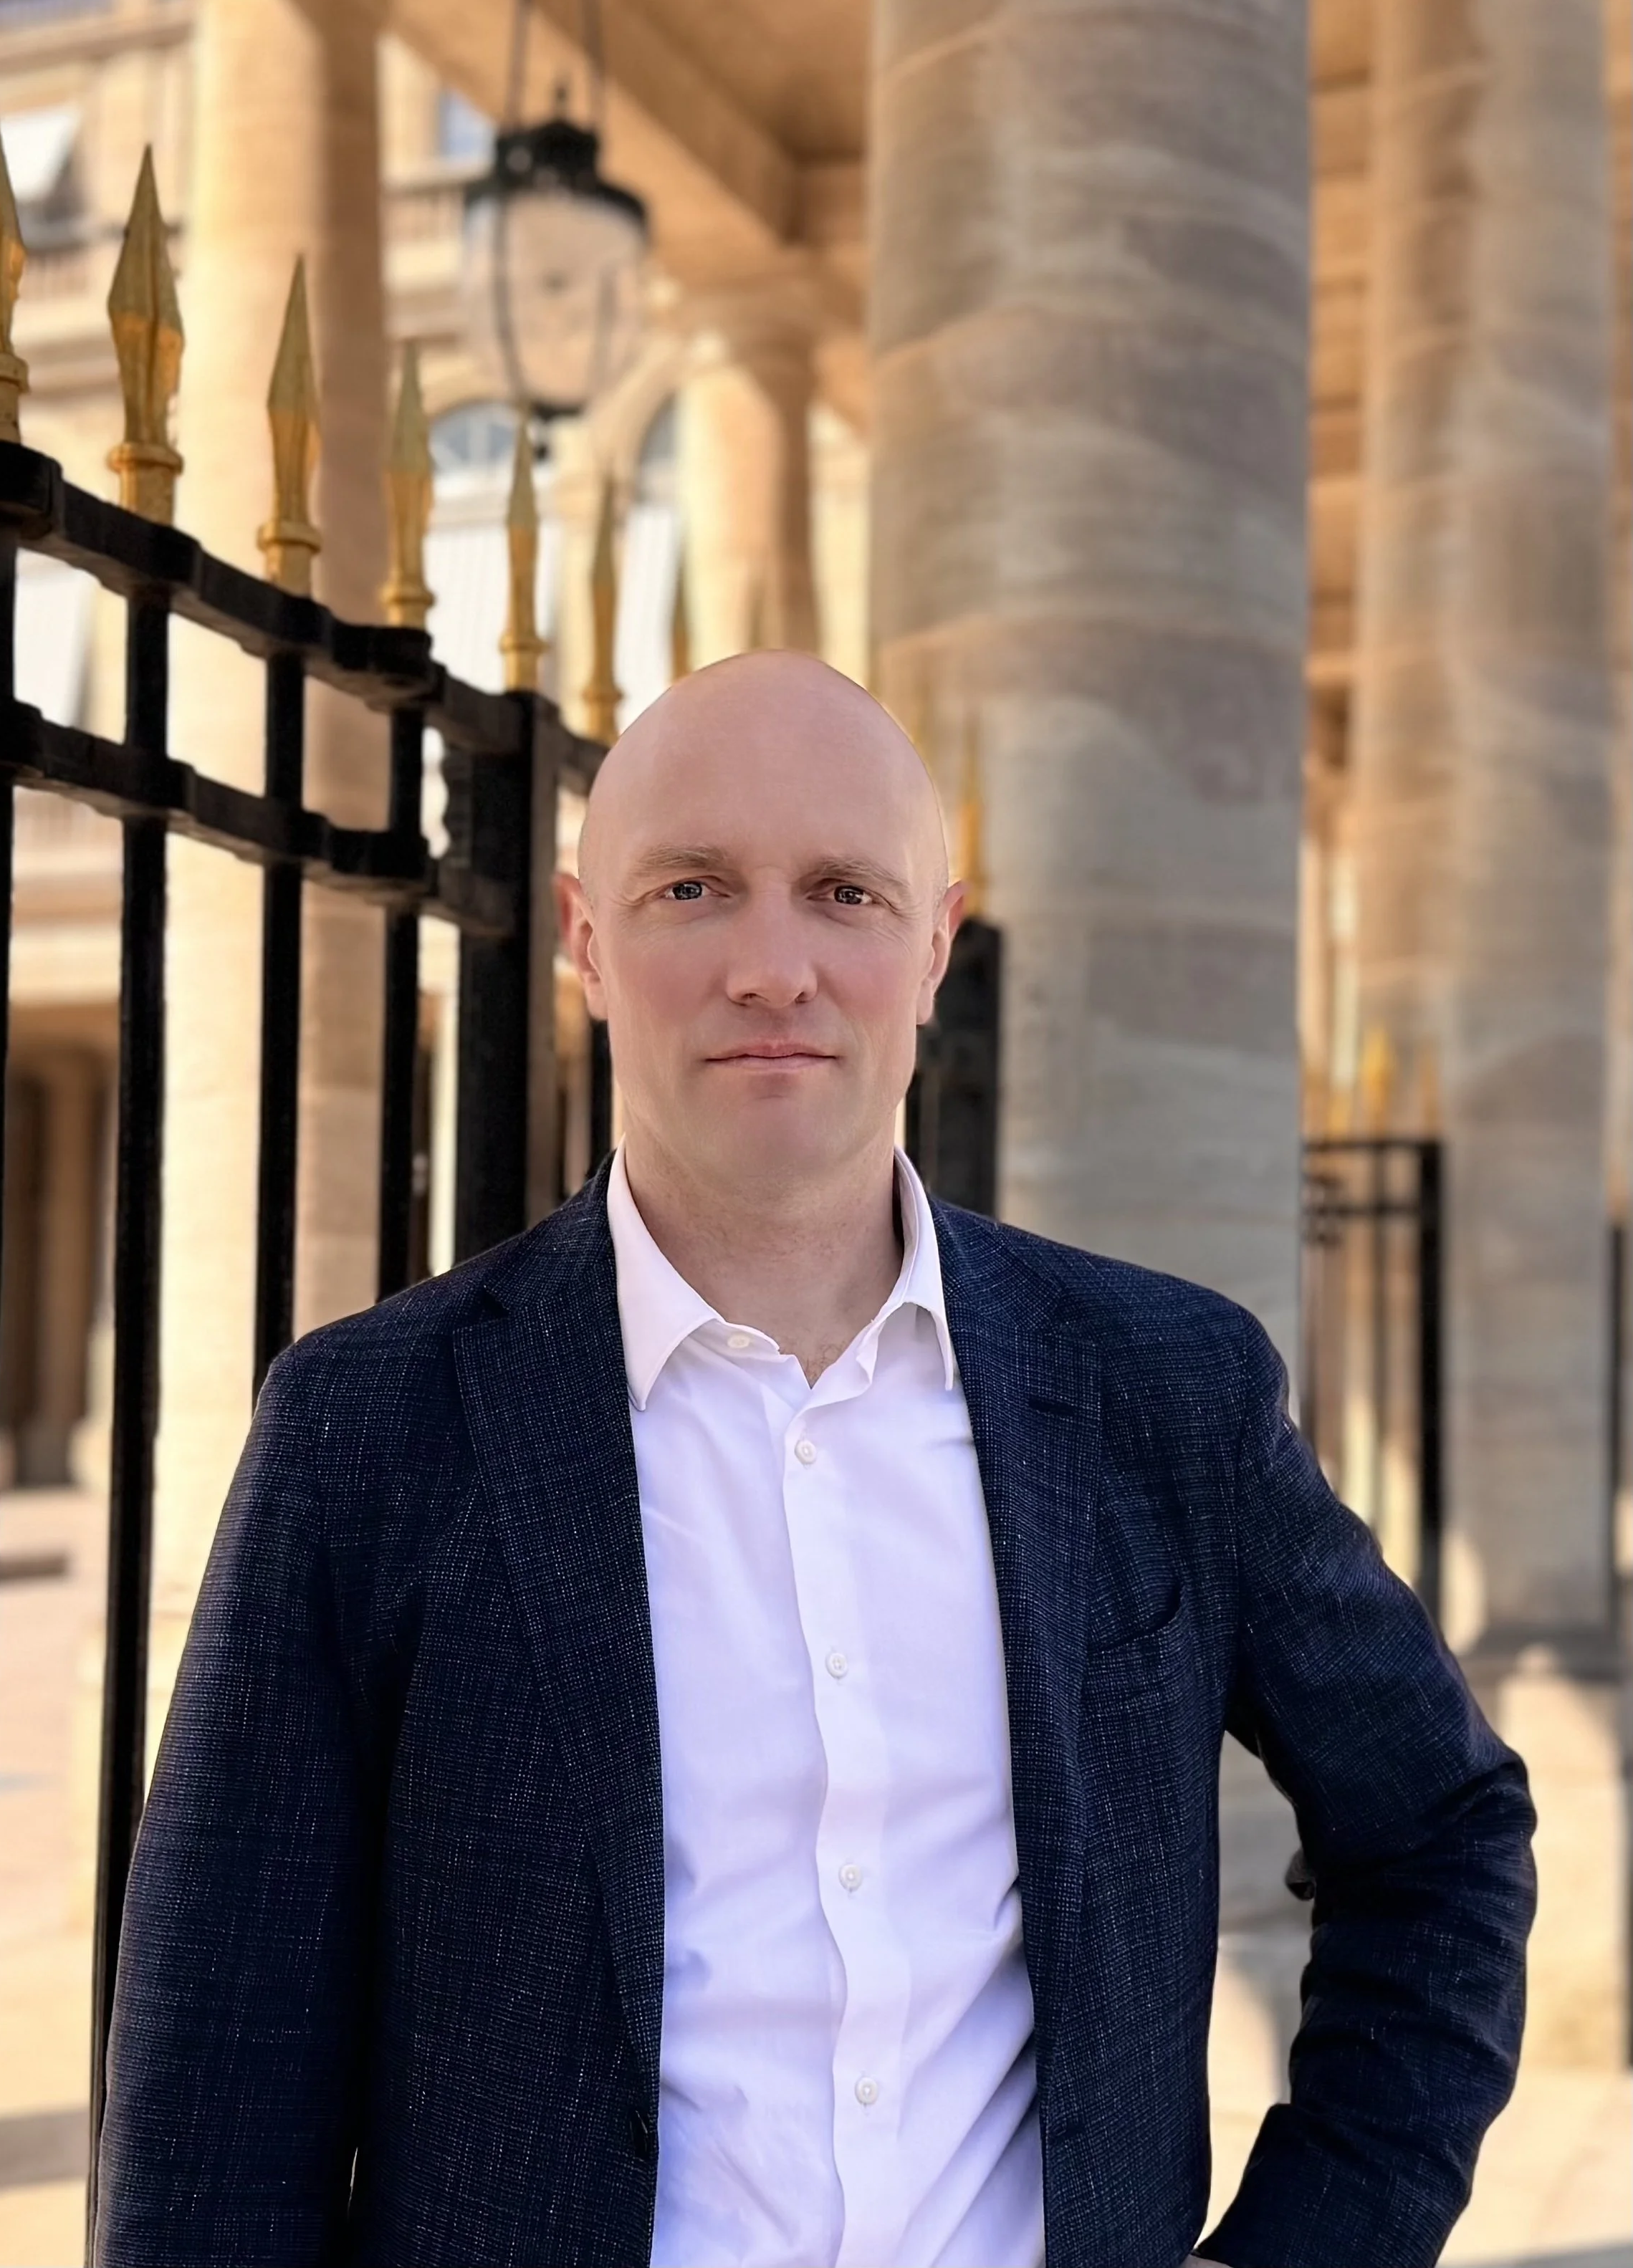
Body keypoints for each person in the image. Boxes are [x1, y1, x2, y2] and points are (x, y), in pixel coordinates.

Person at [95, 654, 1534, 2268]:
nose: (772, 968)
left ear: (935, 946)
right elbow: (215, 2098)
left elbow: (1442, 1829)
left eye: (844, 893)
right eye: (692, 888)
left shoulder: (1161, 1389)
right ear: (585, 939)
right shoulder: (368, 1429)